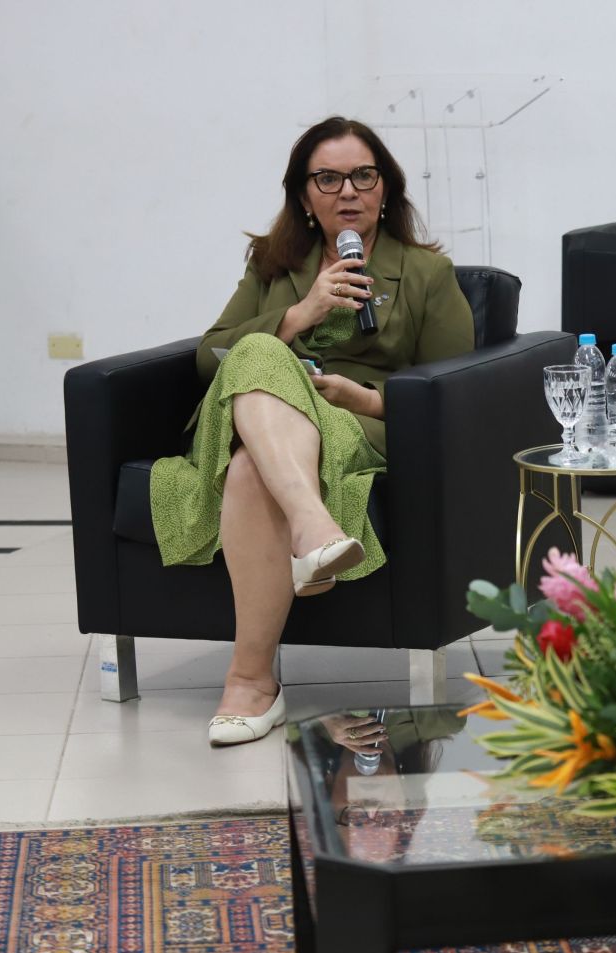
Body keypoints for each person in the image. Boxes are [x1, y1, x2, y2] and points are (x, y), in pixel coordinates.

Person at [148, 116, 476, 746]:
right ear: (303, 195)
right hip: (252, 414)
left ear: (386, 189)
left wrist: (367, 398)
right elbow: (209, 356)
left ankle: (251, 683)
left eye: (363, 176)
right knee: (258, 354)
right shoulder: (273, 266)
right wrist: (300, 314)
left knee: (250, 468)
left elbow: (458, 388)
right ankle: (314, 528)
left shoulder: (426, 274)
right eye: (328, 178)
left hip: (355, 424)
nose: (347, 191)